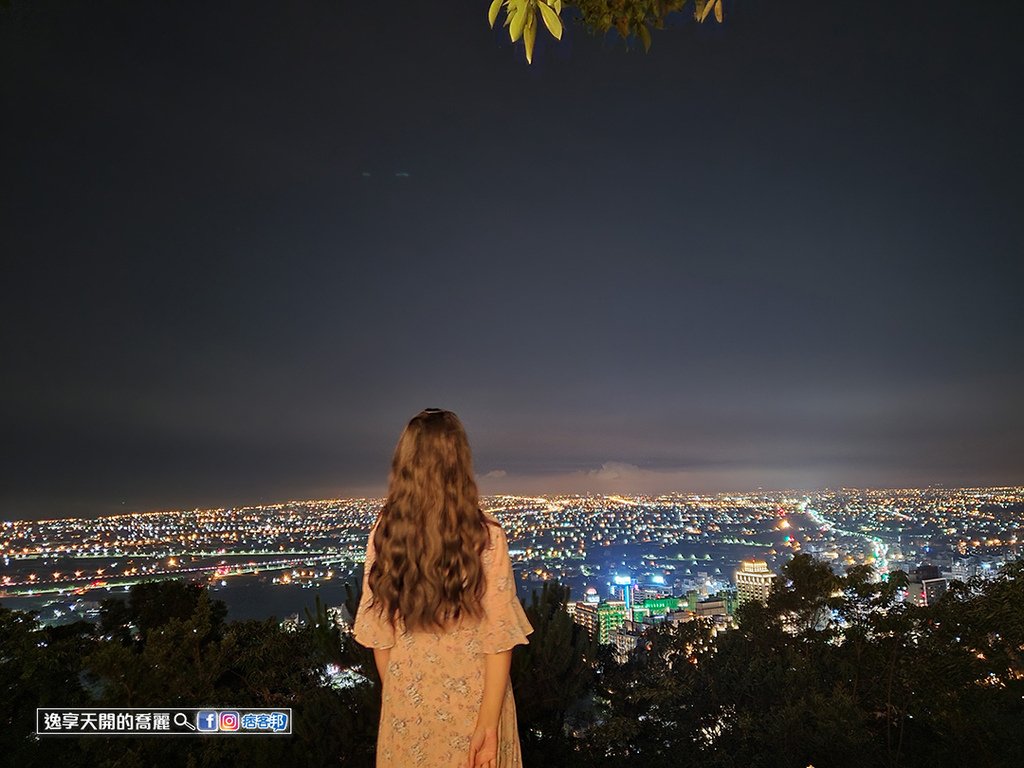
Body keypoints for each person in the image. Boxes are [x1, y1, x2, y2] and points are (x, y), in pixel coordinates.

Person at [353, 408, 535, 768]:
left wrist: (402, 700)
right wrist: (488, 725)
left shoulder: (385, 534)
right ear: (459, 463)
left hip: (407, 700)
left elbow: (379, 637)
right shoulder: (485, 536)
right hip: (476, 701)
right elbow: (498, 640)